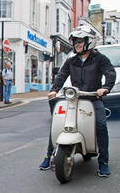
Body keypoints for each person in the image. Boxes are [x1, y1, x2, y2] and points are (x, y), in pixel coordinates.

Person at [39, 25, 116, 177]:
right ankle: (49, 155)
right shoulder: (71, 60)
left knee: (101, 125)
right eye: (75, 41)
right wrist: (54, 90)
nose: (77, 44)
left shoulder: (100, 58)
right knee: (57, 123)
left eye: (80, 41)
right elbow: (61, 76)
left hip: (93, 98)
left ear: (89, 41)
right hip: (74, 99)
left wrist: (105, 87)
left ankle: (104, 161)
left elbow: (110, 72)